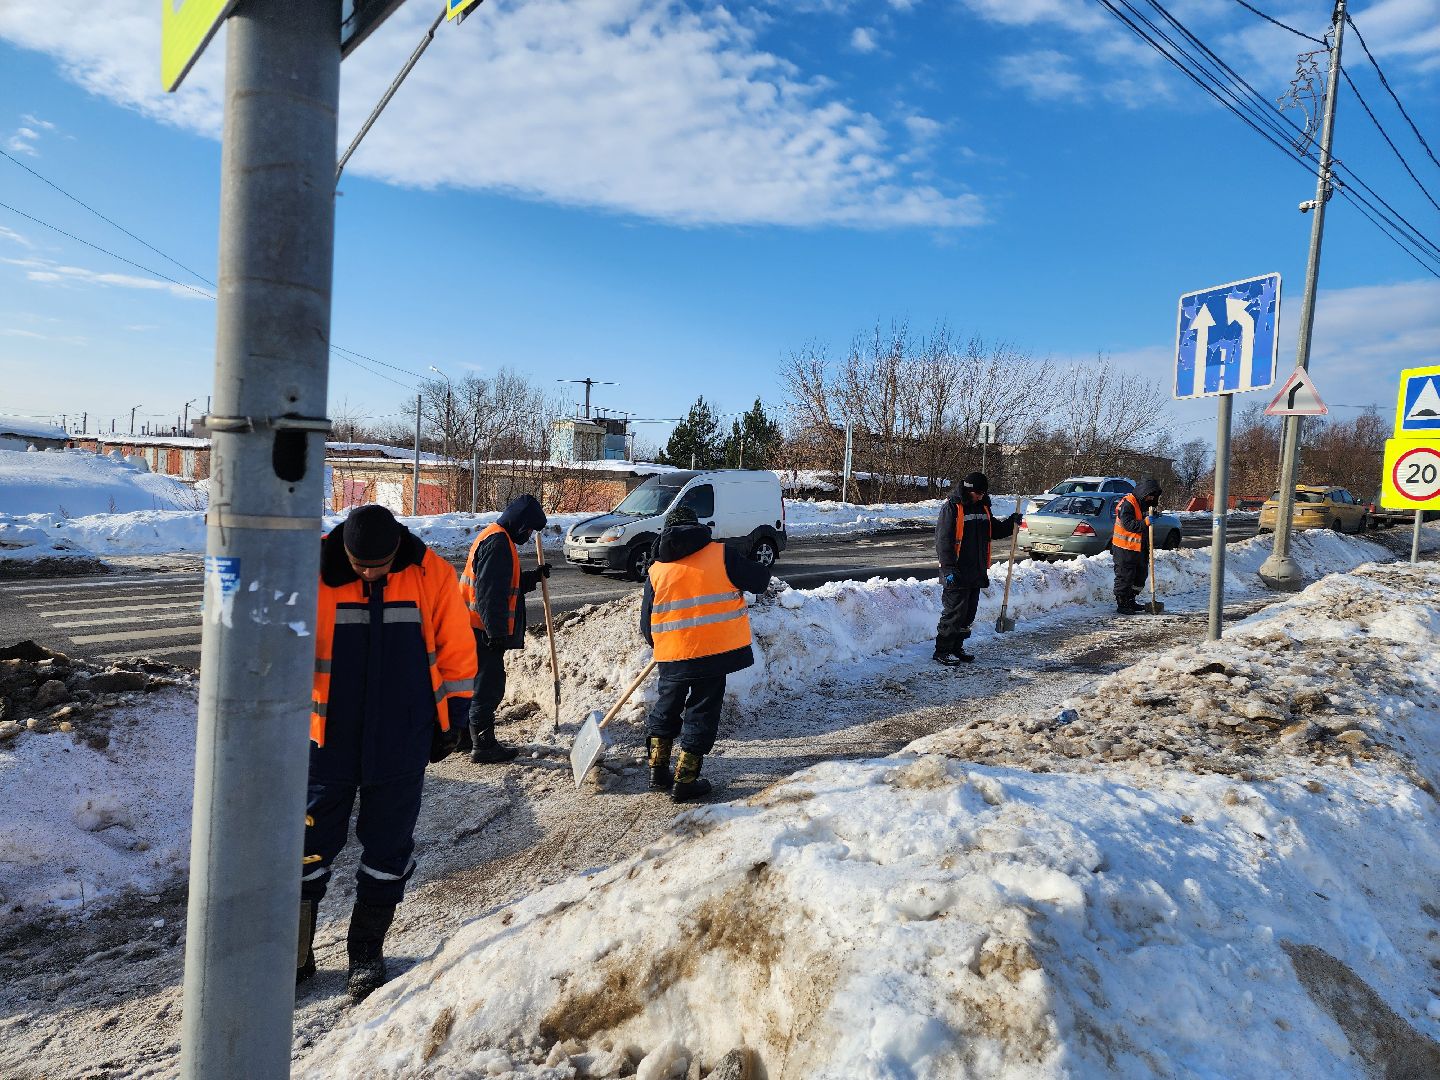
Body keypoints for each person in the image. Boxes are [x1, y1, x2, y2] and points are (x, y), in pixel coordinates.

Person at [302, 504, 476, 1001]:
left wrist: (455, 718)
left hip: (400, 738)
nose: (372, 575)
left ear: (396, 549)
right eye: (361, 568)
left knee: (388, 851)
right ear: (347, 554)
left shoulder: (429, 573)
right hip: (324, 741)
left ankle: (365, 953)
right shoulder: (311, 570)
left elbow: (457, 648)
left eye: (380, 566)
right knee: (306, 852)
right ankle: (295, 953)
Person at [640, 505, 771, 802]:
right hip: (713, 651)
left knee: (666, 707)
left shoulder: (656, 569)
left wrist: (660, 644)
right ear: (696, 527)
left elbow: (647, 623)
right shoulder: (721, 554)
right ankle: (685, 780)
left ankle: (657, 772)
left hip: (672, 654)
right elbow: (760, 581)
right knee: (702, 710)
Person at [459, 493, 550, 762]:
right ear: (522, 524)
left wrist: (533, 577)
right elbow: (489, 595)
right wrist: (496, 633)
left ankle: (465, 736)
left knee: (475, 684)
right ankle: (483, 746)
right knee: (488, 686)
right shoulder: (499, 543)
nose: (529, 534)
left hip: (471, 626)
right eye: (530, 528)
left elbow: (504, 584)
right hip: (481, 629)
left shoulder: (495, 535)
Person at [933, 471, 1022, 665]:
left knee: (968, 614)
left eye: (983, 493)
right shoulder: (952, 508)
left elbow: (994, 531)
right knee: (953, 613)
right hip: (956, 572)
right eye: (978, 493)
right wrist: (947, 569)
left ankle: (957, 648)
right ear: (968, 490)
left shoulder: (983, 507)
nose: (981, 496)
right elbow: (943, 541)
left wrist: (1011, 523)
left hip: (976, 570)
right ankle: (942, 651)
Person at [1112, 476, 1162, 614]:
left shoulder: (1141, 504)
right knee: (1125, 576)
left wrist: (1152, 516)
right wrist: (1145, 522)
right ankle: (1122, 604)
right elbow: (1128, 524)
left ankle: (1131, 600)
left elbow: (1141, 517)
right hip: (1124, 548)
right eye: (1150, 496)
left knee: (1140, 575)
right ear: (1144, 493)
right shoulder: (1127, 504)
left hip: (1138, 547)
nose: (1151, 500)